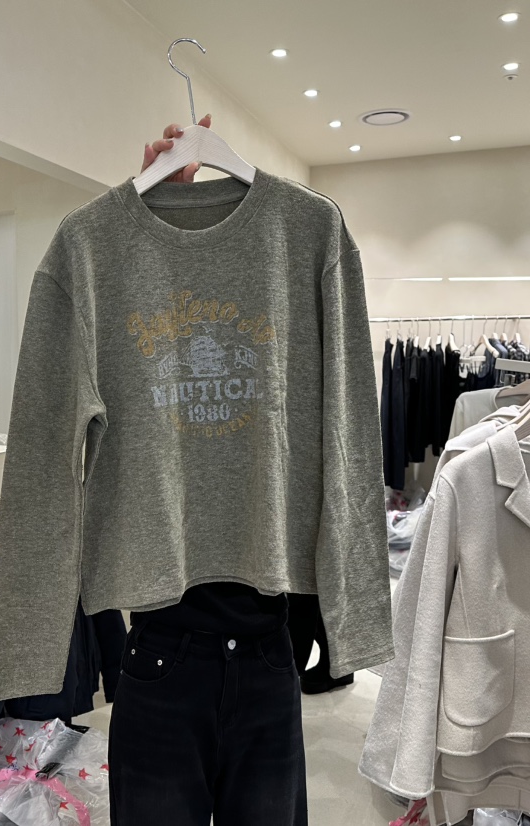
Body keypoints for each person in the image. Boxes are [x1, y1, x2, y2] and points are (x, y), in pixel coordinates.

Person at [107, 116, 308, 826]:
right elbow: (48, 442)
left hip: (268, 648)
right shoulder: (100, 248)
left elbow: (344, 431)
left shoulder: (307, 237)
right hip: (159, 648)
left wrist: (354, 622)